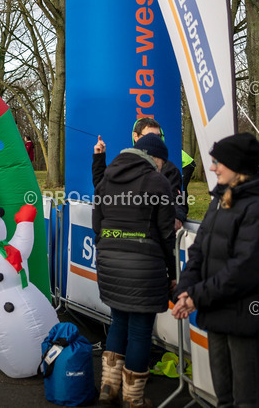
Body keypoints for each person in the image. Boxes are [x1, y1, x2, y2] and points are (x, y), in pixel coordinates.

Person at [172, 133, 259, 408]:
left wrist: (197, 295)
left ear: (237, 166)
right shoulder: (219, 200)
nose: (212, 168)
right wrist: (185, 289)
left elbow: (246, 269)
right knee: (224, 399)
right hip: (216, 311)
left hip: (246, 318)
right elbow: (199, 251)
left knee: (248, 401)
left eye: (218, 162)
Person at [93, 133, 176, 408]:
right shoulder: (158, 182)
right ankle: (133, 399)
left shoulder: (108, 177)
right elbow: (166, 233)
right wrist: (173, 272)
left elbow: (97, 224)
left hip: (110, 263)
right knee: (140, 331)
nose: (162, 168)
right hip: (145, 267)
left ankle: (108, 388)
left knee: (118, 321)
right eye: (162, 163)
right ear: (155, 158)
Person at [93, 117, 187, 229]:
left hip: (148, 232)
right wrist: (99, 157)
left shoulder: (169, 169)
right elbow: (102, 188)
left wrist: (177, 217)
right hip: (118, 232)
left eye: (158, 136)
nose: (154, 140)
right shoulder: (123, 163)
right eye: (149, 136)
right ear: (135, 136)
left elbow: (176, 201)